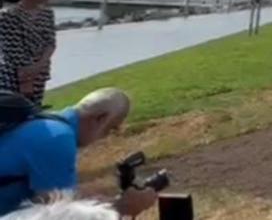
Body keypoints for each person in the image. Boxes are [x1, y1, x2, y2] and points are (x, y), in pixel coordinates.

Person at [0, 88, 157, 216]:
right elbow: (57, 215)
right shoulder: (58, 138)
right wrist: (121, 207)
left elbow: (49, 200)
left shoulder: (47, 124)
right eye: (111, 129)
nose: (105, 137)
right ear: (100, 118)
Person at [1, 0, 57, 108]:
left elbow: (51, 42)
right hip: (13, 76)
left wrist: (39, 67)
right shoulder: (8, 15)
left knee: (33, 113)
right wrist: (26, 80)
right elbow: (14, 51)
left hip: (39, 74)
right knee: (14, 115)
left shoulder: (47, 14)